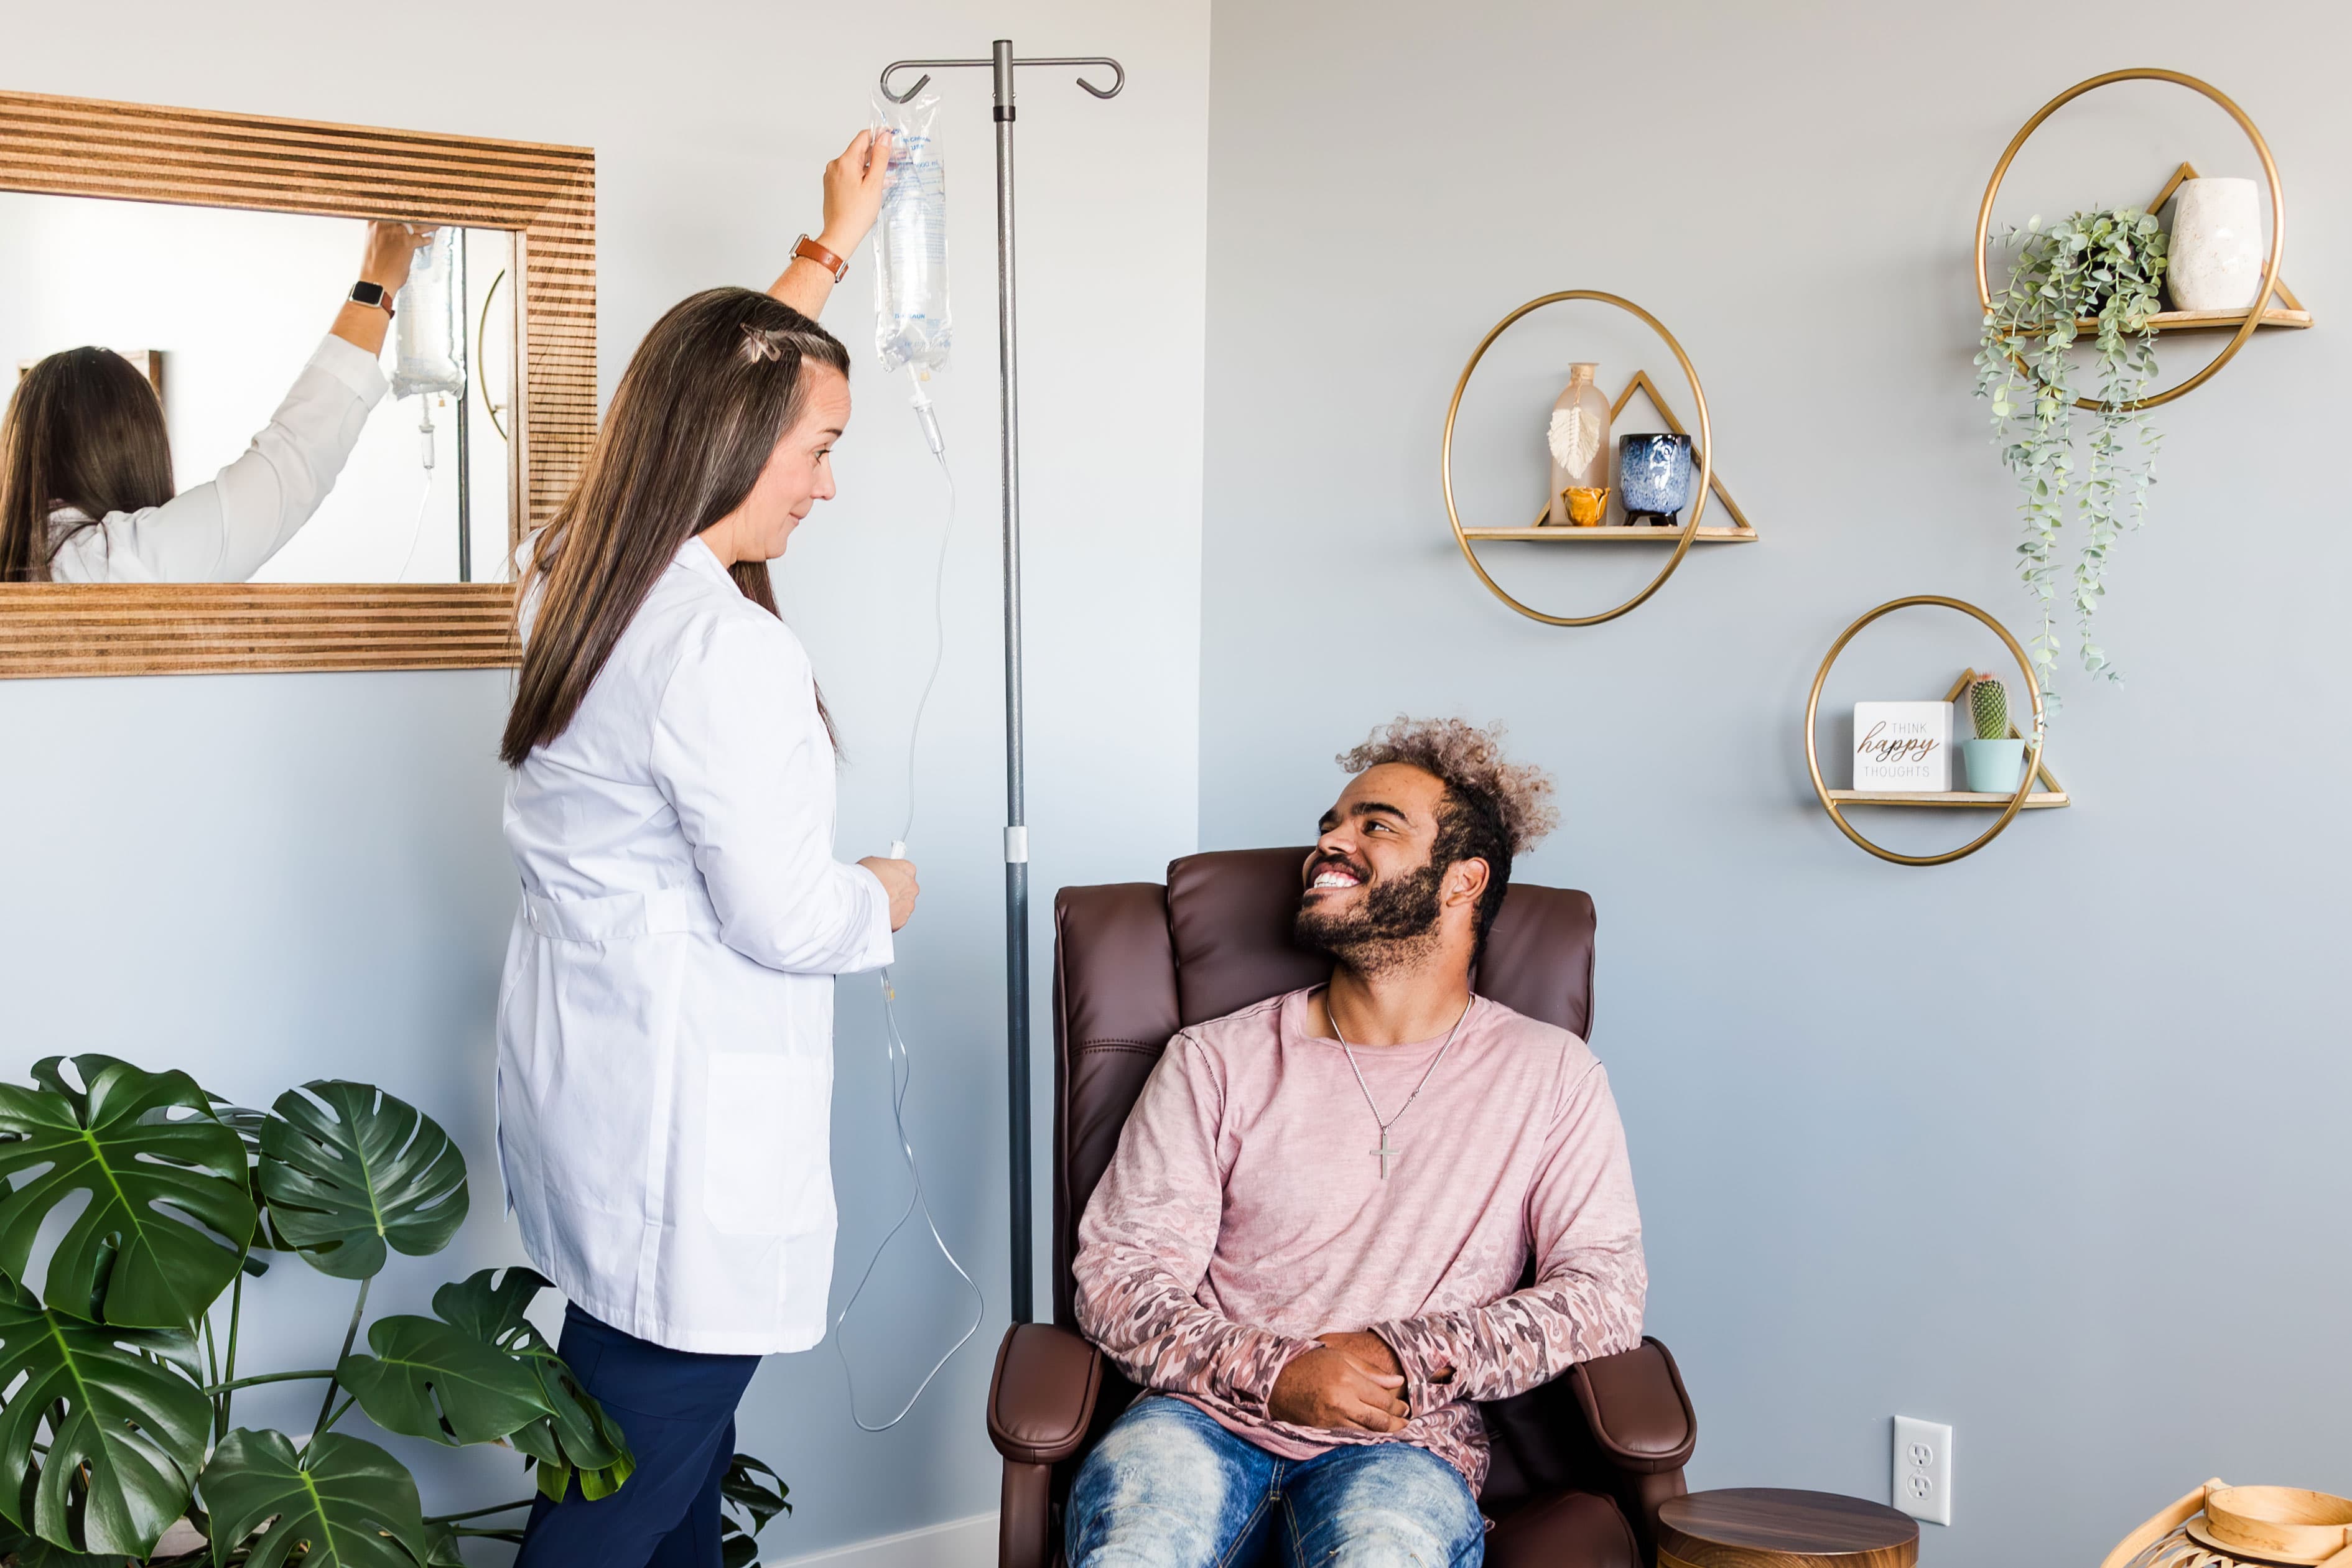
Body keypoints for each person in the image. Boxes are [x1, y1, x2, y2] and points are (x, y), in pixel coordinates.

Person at [495, 129, 911, 1568]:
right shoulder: (721, 649)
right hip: (685, 1136)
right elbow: (792, 918)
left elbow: (690, 404)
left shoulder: (572, 578)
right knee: (622, 1491)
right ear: (742, 445)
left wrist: (830, 248)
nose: (828, 486)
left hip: (604, 1097)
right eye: (821, 449)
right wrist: (886, 899)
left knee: (654, 1456)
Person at [1066, 718, 1647, 1568]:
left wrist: (1402, 1357)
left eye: (1375, 824)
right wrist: (1278, 1372)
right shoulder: (1214, 1059)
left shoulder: (1552, 1074)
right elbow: (1117, 1281)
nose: (1329, 843)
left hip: (1403, 1449)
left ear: (1462, 881)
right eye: (1329, 825)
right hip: (1195, 1425)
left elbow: (1603, 1295)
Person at [0, 220, 434, 582]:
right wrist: (375, 286)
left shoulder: (34, 567)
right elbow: (290, 462)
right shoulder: (111, 566)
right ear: (137, 451)